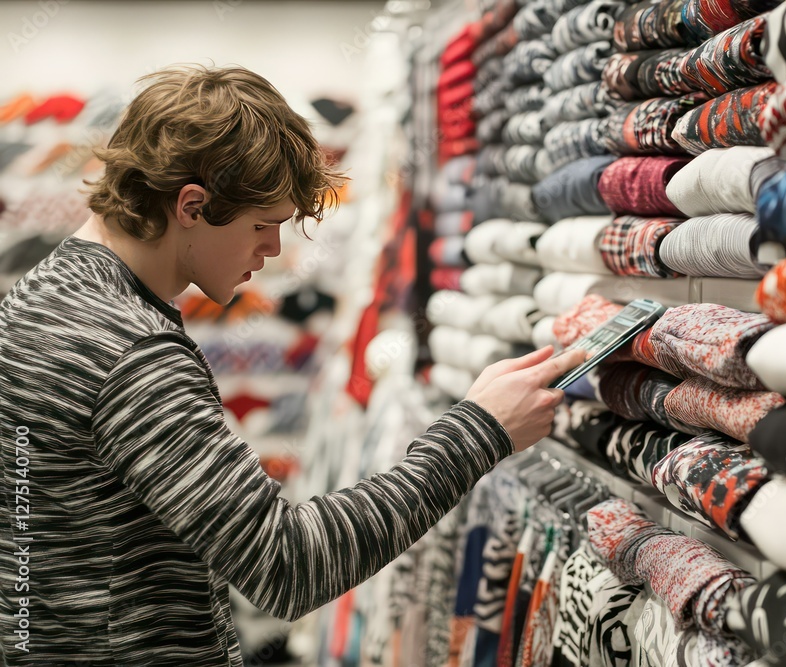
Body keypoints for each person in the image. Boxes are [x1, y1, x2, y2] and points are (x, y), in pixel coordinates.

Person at [0, 65, 586, 664]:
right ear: (192, 205)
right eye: (264, 224)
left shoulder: (38, 296)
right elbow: (286, 566)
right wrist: (478, 434)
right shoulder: (129, 351)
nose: (274, 249)